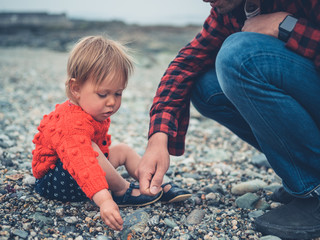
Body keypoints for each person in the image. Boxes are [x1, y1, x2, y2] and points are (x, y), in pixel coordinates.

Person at [136, 0, 320, 239]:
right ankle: (305, 172)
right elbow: (185, 65)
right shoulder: (230, 10)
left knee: (238, 55)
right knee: (205, 87)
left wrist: (288, 27)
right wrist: (158, 139)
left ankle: (314, 192)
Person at [31, 36, 191, 231]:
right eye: (103, 94)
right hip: (56, 182)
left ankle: (152, 183)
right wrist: (105, 200)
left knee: (122, 150)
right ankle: (121, 190)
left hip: (79, 166)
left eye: (118, 93)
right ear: (76, 89)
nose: (112, 102)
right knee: (90, 150)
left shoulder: (90, 109)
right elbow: (83, 163)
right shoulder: (70, 124)